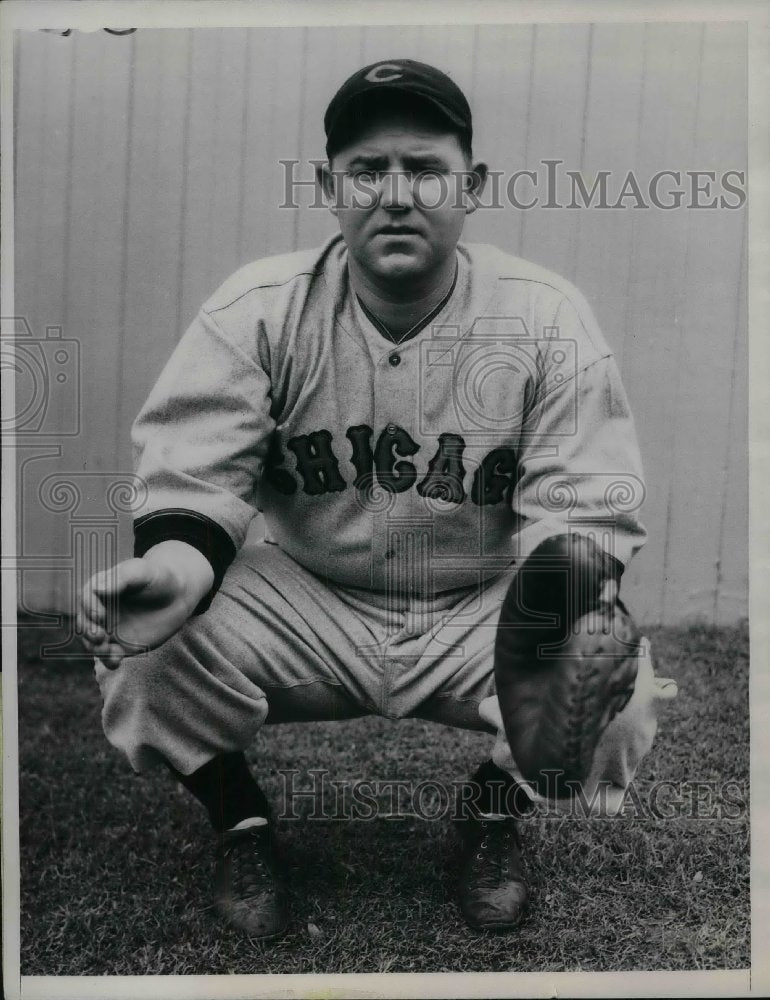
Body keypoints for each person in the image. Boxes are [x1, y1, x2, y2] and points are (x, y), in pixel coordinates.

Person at [77, 59, 676, 939]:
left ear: (472, 186)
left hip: (475, 604)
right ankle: (241, 823)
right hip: (305, 595)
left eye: (426, 170)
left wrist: (566, 617)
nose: (397, 194)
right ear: (330, 187)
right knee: (143, 650)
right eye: (367, 170)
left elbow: (583, 503)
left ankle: (492, 815)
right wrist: (174, 568)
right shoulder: (259, 311)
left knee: (618, 687)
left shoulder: (542, 316)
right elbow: (196, 475)